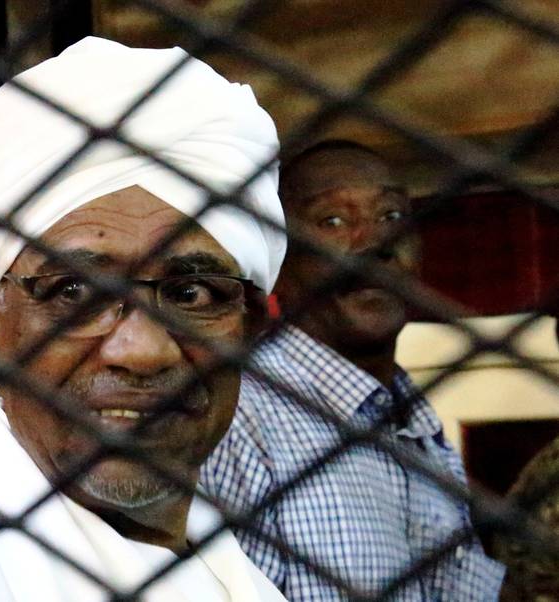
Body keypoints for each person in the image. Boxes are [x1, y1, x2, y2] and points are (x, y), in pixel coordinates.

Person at [0, 37, 288, 601]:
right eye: (75, 293)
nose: (142, 350)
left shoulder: (240, 581)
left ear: (248, 325)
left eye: (191, 294)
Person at [201, 140, 506, 600]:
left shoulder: (418, 427)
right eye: (333, 221)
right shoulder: (239, 416)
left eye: (391, 216)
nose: (375, 243)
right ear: (278, 258)